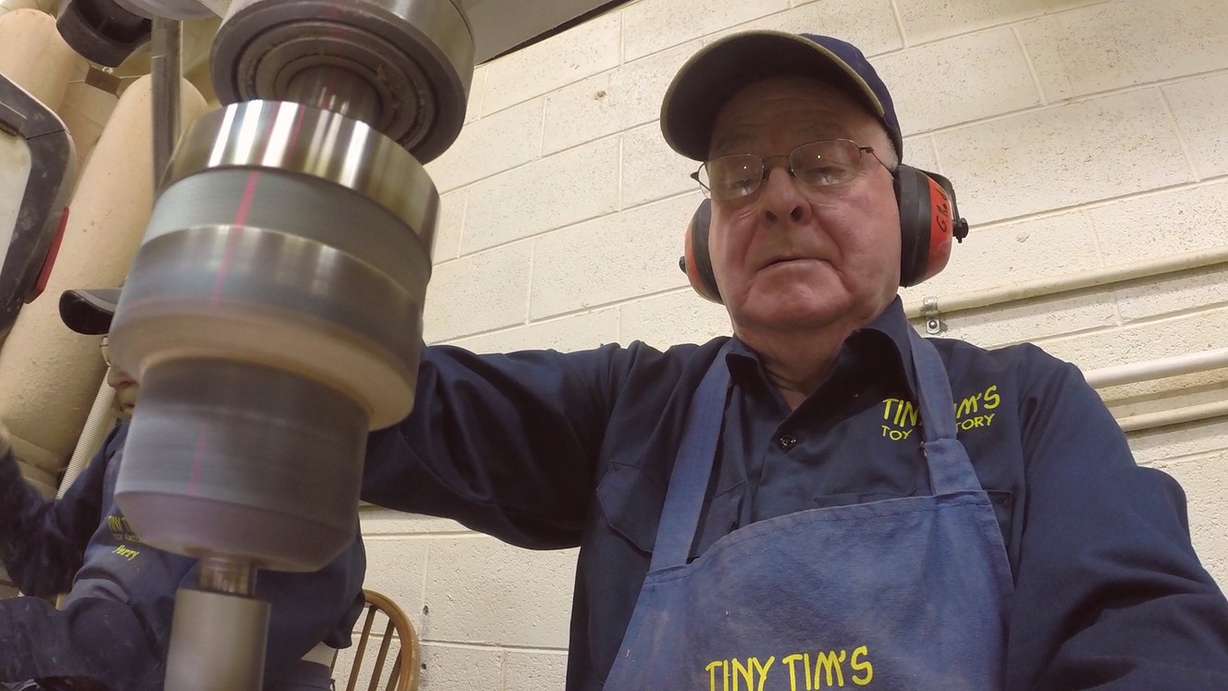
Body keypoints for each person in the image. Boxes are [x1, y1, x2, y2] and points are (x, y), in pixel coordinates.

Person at [359, 30, 1228, 690]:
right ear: (707, 242)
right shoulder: (630, 407)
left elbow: (1151, 635)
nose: (777, 199)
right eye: (739, 175)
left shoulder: (1027, 405)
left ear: (914, 212)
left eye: (823, 163)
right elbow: (378, 402)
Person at [0, 288, 367, 691]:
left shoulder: (297, 477)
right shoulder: (127, 444)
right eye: (113, 345)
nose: (113, 374)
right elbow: (46, 562)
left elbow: (173, 655)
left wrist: (22, 639)